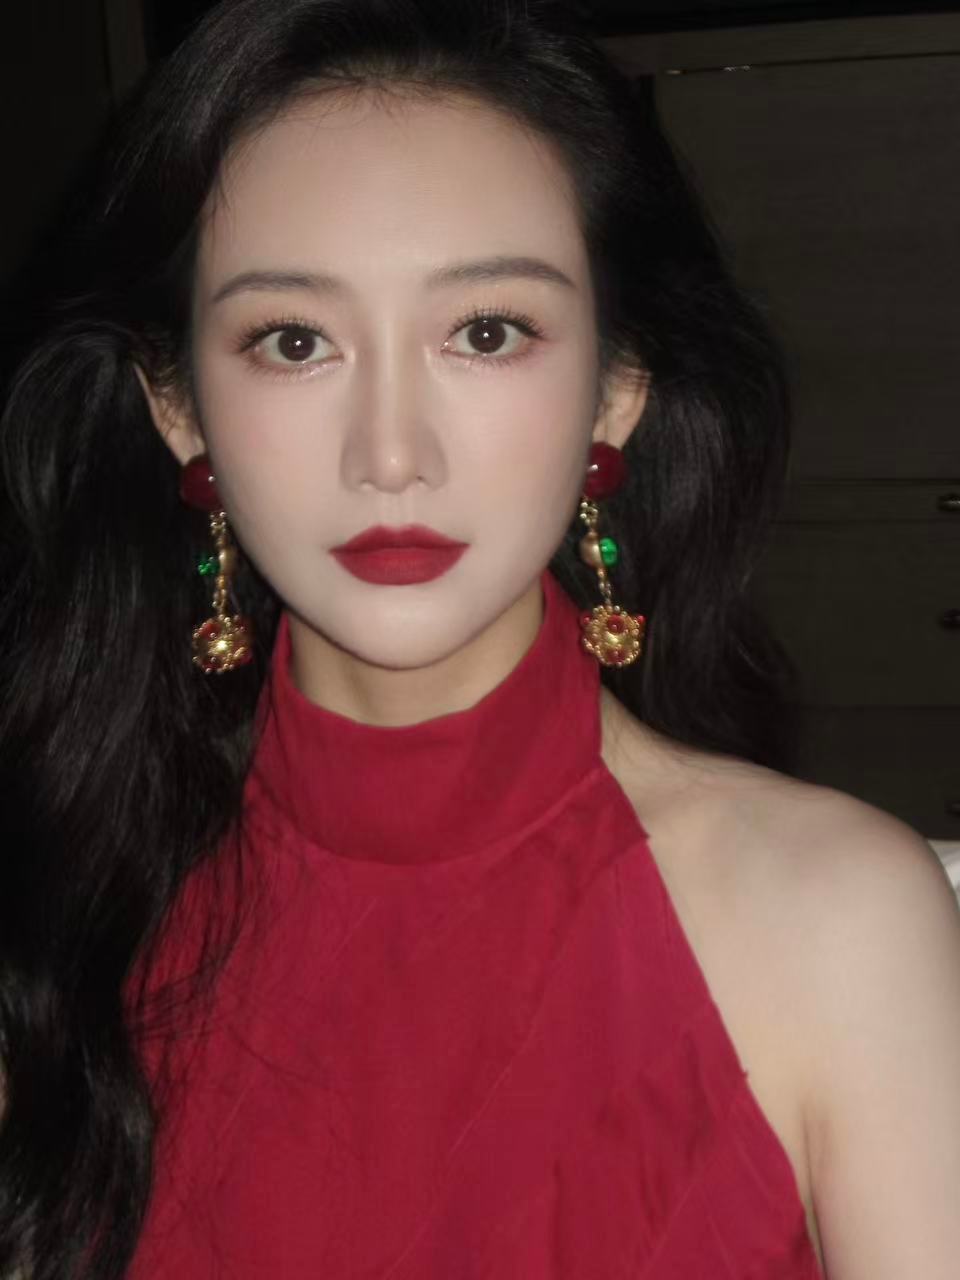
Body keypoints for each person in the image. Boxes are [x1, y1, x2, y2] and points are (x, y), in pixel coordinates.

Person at [1, 0, 958, 1276]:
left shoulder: (840, 925)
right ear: (176, 406)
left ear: (618, 384)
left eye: (487, 331)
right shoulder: (60, 914)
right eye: (295, 340)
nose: (391, 452)